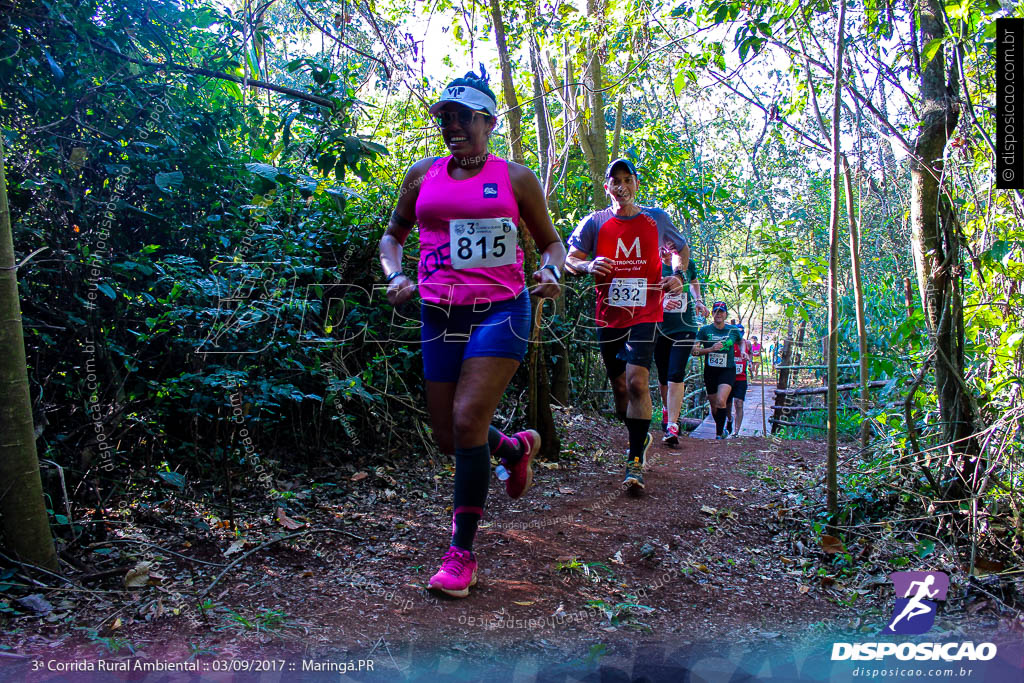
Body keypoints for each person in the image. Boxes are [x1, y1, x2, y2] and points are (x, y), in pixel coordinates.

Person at [379, 70, 565, 598]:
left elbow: (550, 244)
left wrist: (551, 272)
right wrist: (396, 274)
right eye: (446, 117)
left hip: (500, 310)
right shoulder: (422, 174)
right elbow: (392, 236)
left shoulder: (516, 178)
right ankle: (510, 449)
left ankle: (461, 554)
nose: (452, 126)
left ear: (488, 121)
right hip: (439, 314)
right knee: (447, 436)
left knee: (466, 420)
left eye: (464, 117)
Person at [565, 158, 689, 491]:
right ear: (607, 187)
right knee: (621, 390)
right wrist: (589, 265)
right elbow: (570, 259)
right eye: (614, 181)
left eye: (627, 180)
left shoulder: (656, 219)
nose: (621, 187)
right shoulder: (595, 222)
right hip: (609, 315)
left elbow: (680, 248)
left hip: (646, 312)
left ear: (636, 183)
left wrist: (677, 275)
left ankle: (634, 462)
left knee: (637, 383)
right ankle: (641, 436)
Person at [655, 248, 708, 446]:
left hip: (684, 327)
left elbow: (693, 281)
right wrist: (660, 304)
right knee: (663, 376)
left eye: (667, 246)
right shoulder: (652, 265)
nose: (663, 250)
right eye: (659, 245)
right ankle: (667, 410)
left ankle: (672, 425)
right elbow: (644, 294)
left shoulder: (686, 264)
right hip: (658, 328)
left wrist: (699, 301)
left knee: (676, 373)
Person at [692, 301, 743, 439]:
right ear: (712, 314)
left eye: (721, 311)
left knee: (721, 400)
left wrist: (743, 352)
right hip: (711, 371)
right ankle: (722, 428)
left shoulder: (732, 330)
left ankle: (719, 434)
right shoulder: (705, 331)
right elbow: (694, 351)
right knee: (714, 405)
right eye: (716, 311)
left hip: (727, 370)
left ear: (725, 314)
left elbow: (741, 341)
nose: (718, 314)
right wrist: (710, 349)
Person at [726, 336, 752, 436]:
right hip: (728, 377)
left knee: (739, 403)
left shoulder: (747, 343)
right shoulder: (728, 343)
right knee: (727, 404)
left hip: (741, 378)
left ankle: (736, 432)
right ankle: (729, 419)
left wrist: (749, 361)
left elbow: (750, 353)